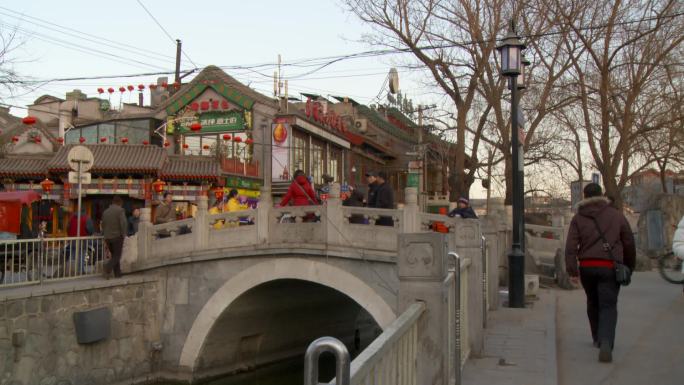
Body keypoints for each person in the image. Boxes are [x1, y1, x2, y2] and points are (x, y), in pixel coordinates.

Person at [565, 183, 636, 363]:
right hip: (610, 267)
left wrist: (572, 270)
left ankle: (596, 337)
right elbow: (628, 242)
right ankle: (606, 341)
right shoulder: (616, 215)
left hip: (587, 267)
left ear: (585, 196)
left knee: (593, 301)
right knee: (608, 305)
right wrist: (628, 266)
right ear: (601, 195)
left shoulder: (578, 218)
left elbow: (571, 247)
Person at [101, 196, 128, 279]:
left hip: (107, 237)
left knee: (114, 255)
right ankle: (107, 267)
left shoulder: (105, 212)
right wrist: (124, 234)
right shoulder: (120, 210)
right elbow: (123, 223)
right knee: (117, 256)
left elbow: (103, 224)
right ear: (120, 203)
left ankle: (117, 274)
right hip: (117, 236)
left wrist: (105, 234)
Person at [67, 206, 94, 273]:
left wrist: (70, 235)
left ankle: (70, 270)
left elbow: (67, 228)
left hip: (72, 240)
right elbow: (90, 230)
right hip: (82, 240)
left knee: (72, 255)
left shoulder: (71, 218)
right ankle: (80, 271)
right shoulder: (86, 218)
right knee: (81, 256)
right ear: (85, 211)